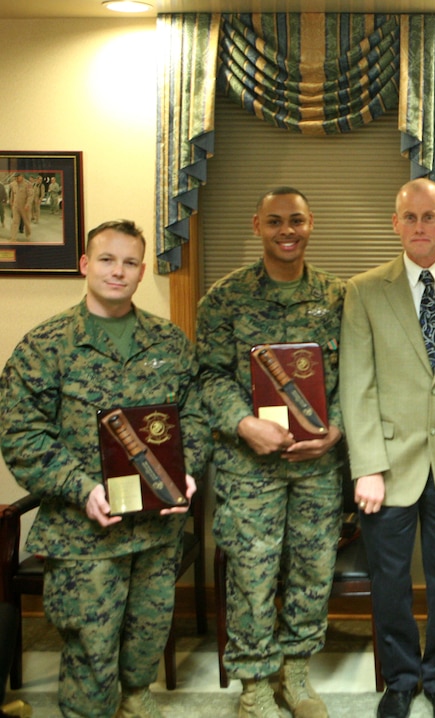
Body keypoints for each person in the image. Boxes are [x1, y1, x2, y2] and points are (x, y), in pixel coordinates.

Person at [0, 219, 205, 718]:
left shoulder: (169, 343)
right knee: (91, 656)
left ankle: (136, 701)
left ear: (140, 273)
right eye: (108, 260)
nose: (119, 271)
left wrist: (188, 469)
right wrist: (81, 488)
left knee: (146, 639)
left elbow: (195, 414)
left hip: (156, 530)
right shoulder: (45, 346)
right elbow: (21, 434)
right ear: (85, 265)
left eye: (130, 262)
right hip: (84, 534)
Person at [340, 178, 435, 718]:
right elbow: (356, 384)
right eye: (409, 217)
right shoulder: (363, 290)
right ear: (394, 224)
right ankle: (401, 679)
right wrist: (366, 466)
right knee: (389, 583)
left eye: (430, 217)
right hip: (387, 466)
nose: (420, 227)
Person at [197, 187, 345, 718]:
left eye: (298, 221)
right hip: (249, 465)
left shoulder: (337, 297)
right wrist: (243, 423)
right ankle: (255, 685)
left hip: (317, 465)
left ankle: (296, 674)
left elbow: (356, 374)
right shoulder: (224, 299)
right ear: (257, 223)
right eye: (276, 221)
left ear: (312, 224)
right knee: (252, 574)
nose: (288, 230)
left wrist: (339, 429)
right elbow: (208, 377)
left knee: (312, 568)